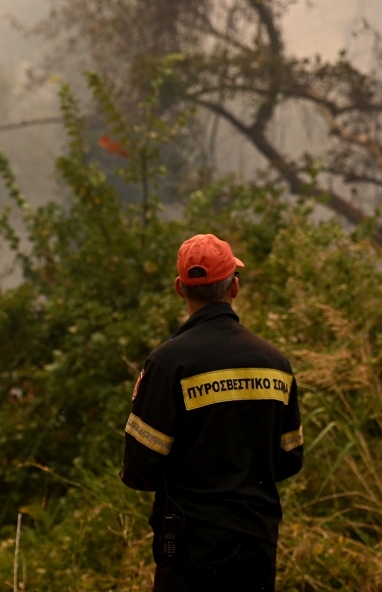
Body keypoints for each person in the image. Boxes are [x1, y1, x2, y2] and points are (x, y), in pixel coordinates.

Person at [121, 233, 303, 591]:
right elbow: (290, 458)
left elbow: (139, 469)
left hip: (189, 552)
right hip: (257, 547)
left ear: (179, 288)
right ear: (233, 287)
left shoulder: (167, 363)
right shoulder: (274, 363)